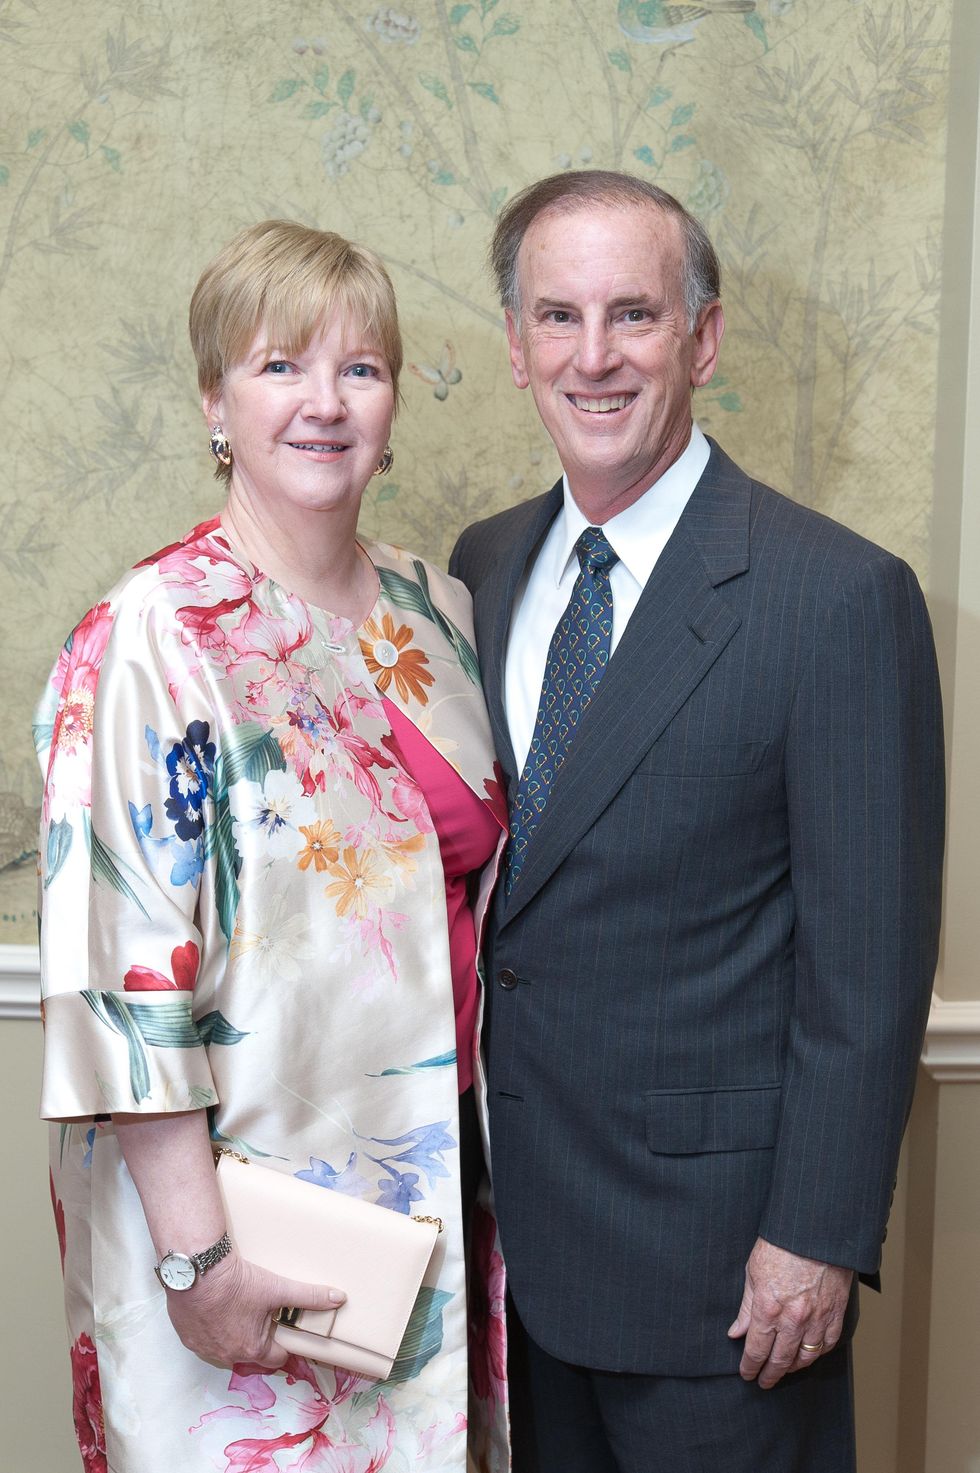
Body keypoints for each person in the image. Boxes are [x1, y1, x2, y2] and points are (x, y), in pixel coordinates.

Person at [449, 170, 945, 1472]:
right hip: (513, 1262)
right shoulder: (480, 568)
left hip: (729, 1280)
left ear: (704, 337)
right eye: (557, 317)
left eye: (635, 315)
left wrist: (820, 1235)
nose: (593, 356)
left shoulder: (836, 598)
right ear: (515, 348)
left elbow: (869, 970)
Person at [36, 220, 510, 1473]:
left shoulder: (438, 610)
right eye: (278, 366)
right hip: (247, 1232)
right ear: (215, 399)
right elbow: (121, 977)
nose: (323, 402)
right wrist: (199, 1262)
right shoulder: (154, 634)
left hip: (445, 1210)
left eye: (359, 368)